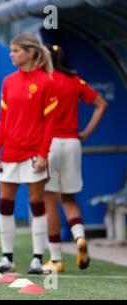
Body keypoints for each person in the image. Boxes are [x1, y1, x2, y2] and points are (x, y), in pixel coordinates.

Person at [0, 33, 57, 274]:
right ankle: (6, 258)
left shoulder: (47, 82)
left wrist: (43, 154)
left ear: (30, 53)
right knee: (5, 204)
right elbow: (3, 119)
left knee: (36, 205)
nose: (11, 54)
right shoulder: (8, 81)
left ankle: (37, 259)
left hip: (34, 155)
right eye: (11, 50)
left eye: (16, 51)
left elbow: (50, 124)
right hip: (10, 153)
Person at [42, 45, 108, 273]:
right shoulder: (74, 80)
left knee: (50, 201)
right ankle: (79, 237)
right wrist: (86, 133)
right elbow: (101, 104)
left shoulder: (42, 81)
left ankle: (56, 259)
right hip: (72, 143)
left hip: (48, 145)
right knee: (68, 198)